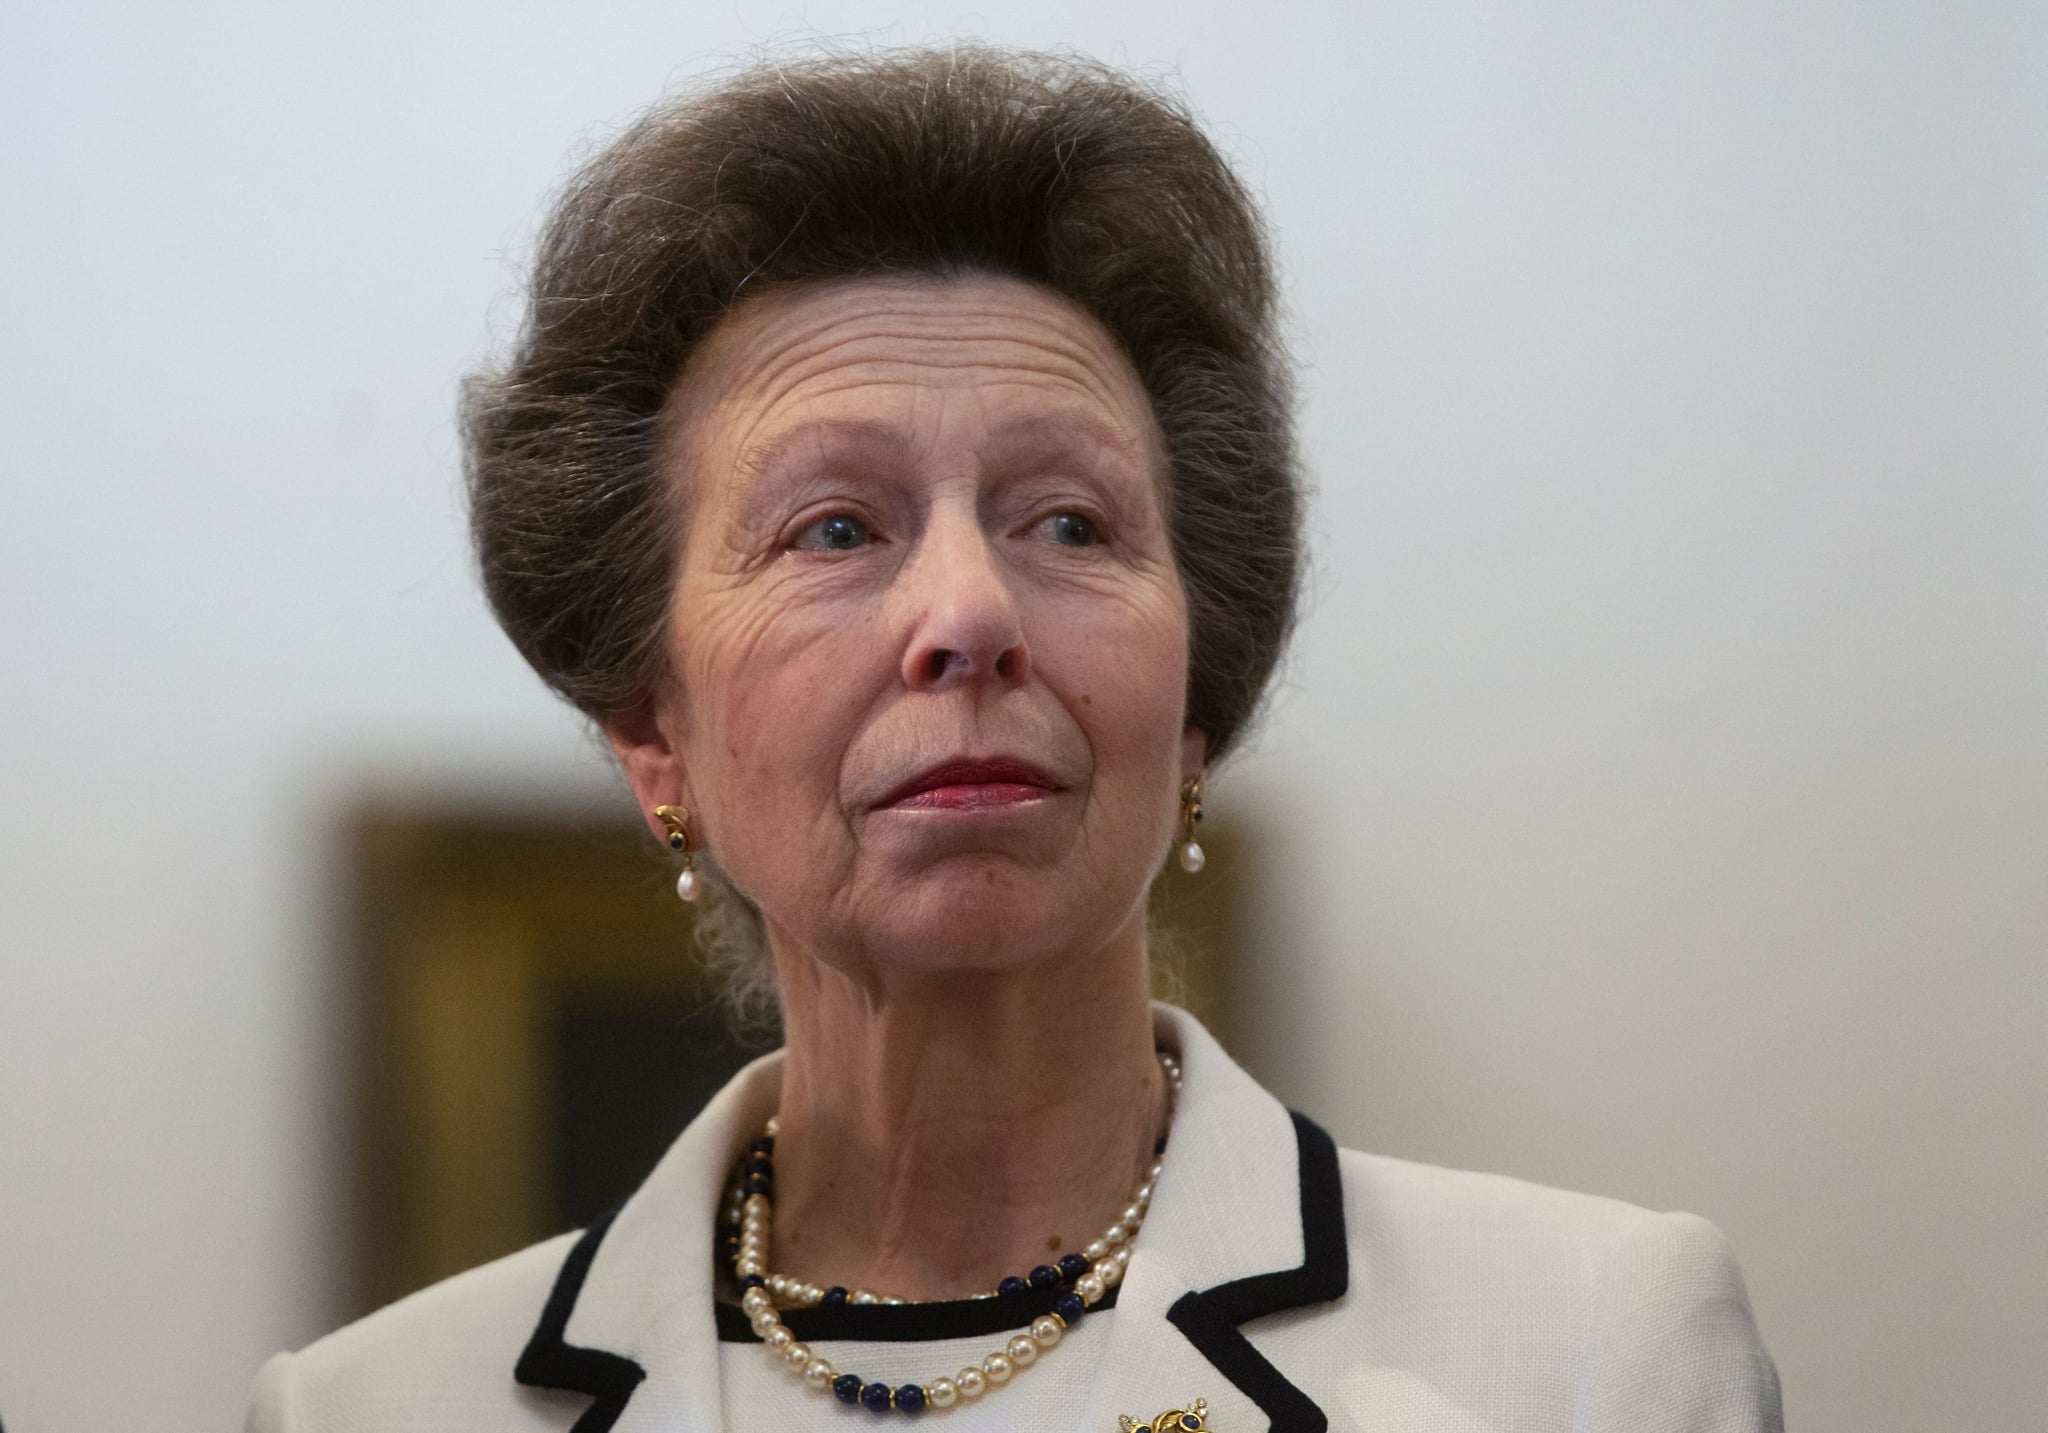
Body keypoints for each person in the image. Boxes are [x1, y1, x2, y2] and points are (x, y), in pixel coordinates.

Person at [245, 48, 1781, 1433]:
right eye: (835, 526)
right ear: (657, 738)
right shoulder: (370, 1412)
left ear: (1194, 709)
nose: (970, 611)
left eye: (1069, 520)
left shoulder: (1590, 1347)